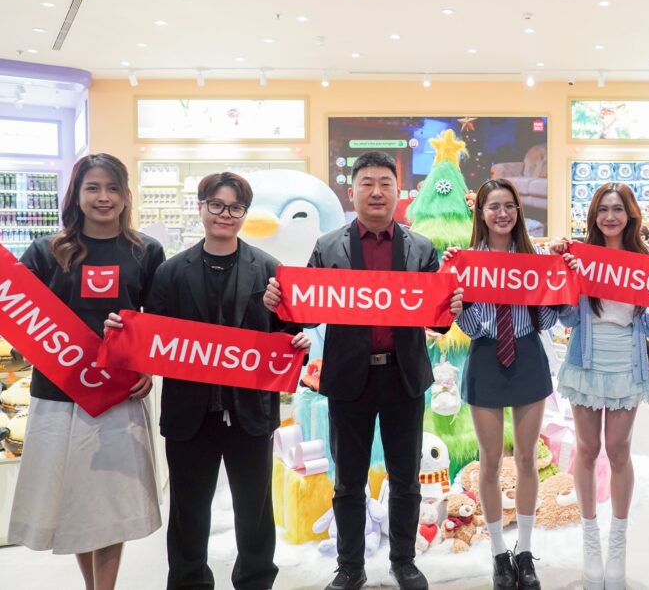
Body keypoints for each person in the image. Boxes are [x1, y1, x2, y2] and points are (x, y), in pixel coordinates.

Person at [263, 151, 462, 590]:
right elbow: (305, 313)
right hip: (349, 377)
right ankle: (350, 566)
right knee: (348, 480)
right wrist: (281, 303)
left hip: (403, 377)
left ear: (397, 192)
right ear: (352, 193)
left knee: (406, 478)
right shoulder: (328, 247)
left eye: (385, 183)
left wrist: (450, 307)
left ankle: (404, 561)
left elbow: (437, 322)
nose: (376, 192)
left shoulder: (421, 248)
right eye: (367, 183)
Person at [105, 172, 311, 590]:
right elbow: (153, 336)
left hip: (250, 412)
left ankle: (255, 580)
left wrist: (297, 337)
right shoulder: (171, 271)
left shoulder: (268, 269)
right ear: (200, 207)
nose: (225, 215)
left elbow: (286, 332)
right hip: (189, 413)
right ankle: (188, 581)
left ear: (245, 214)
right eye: (216, 205)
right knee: (189, 511)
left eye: (235, 207)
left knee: (254, 510)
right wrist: (124, 335)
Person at [7, 154, 164, 590]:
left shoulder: (146, 251)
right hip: (58, 395)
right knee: (73, 499)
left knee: (108, 504)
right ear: (76, 195)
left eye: (113, 187)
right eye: (92, 187)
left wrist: (147, 365)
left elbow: (158, 320)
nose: (103, 197)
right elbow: (18, 315)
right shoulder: (45, 251)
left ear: (126, 195)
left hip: (117, 396)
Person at [549, 183, 649, 590]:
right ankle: (590, 542)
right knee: (587, 450)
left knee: (619, 451)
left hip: (627, 363)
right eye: (603, 209)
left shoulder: (645, 261)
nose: (610, 216)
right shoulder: (580, 257)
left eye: (618, 209)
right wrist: (564, 276)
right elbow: (567, 320)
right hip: (585, 362)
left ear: (630, 215)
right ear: (594, 216)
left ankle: (618, 545)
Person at [443, 179, 567, 590]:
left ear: (518, 211)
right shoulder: (465, 262)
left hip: (527, 356)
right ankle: (499, 553)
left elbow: (546, 320)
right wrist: (458, 293)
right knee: (491, 460)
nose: (502, 213)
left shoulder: (535, 259)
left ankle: (525, 551)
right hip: (485, 359)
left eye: (509, 205)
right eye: (493, 206)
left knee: (527, 458)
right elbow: (469, 325)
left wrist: (555, 288)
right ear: (480, 212)